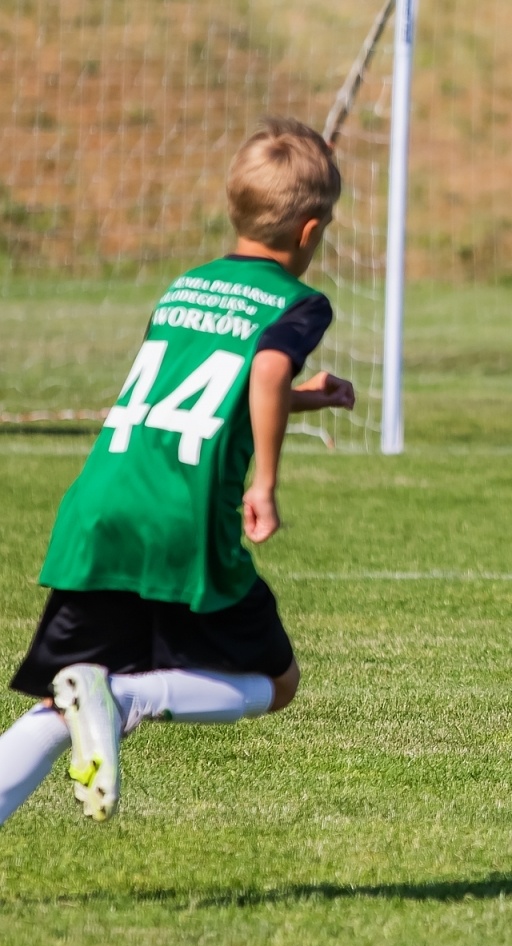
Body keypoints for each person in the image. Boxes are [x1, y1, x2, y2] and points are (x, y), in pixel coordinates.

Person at [0, 117, 356, 825]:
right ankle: (128, 697)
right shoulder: (299, 303)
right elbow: (266, 365)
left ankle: (101, 696)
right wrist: (264, 484)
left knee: (62, 696)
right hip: (181, 518)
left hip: (100, 509)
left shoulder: (187, 286)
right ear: (311, 232)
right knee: (273, 682)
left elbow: (210, 387)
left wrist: (304, 400)